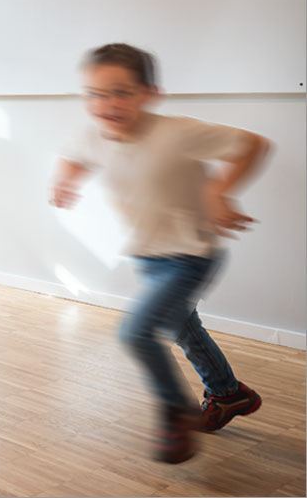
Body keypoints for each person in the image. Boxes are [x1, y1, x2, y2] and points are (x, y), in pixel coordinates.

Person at [50, 43, 269, 464]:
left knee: (135, 333)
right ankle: (229, 394)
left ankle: (174, 412)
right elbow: (74, 156)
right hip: (147, 256)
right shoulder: (92, 135)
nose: (106, 104)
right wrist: (66, 180)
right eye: (95, 93)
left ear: (151, 93)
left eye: (121, 92)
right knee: (184, 330)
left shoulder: (176, 132)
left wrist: (218, 189)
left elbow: (253, 144)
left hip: (191, 254)